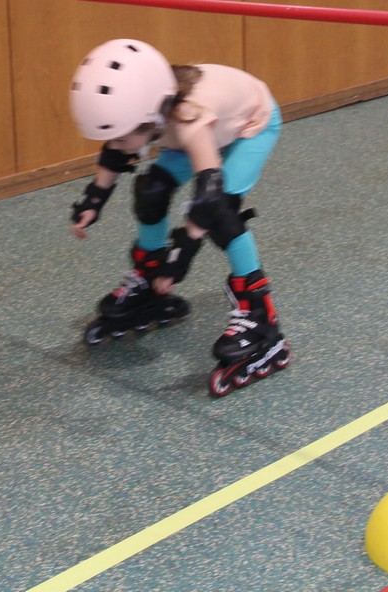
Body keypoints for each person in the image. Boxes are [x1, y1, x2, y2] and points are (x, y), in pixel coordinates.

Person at [68, 38, 291, 394]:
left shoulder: (189, 118)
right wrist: (94, 199)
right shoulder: (149, 109)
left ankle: (260, 317)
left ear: (151, 118)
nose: (118, 144)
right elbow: (115, 152)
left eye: (123, 136)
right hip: (201, 129)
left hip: (251, 126)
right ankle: (147, 277)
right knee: (151, 191)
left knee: (222, 216)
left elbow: (208, 199)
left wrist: (180, 256)